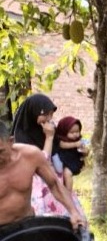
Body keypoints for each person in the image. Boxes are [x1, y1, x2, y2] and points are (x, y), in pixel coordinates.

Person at [0, 120, 85, 241]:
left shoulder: (31, 156)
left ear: (11, 141)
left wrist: (73, 212)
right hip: (1, 236)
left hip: (28, 228)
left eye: (0, 152)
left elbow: (55, 185)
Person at [10, 93, 89, 223]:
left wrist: (81, 153)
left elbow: (61, 149)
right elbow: (42, 161)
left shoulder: (48, 129)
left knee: (70, 219)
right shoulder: (22, 137)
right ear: (33, 112)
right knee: (46, 222)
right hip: (40, 188)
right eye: (45, 114)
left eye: (51, 114)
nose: (49, 119)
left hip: (56, 183)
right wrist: (49, 137)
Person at [52, 116, 89, 192]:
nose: (75, 134)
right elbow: (62, 145)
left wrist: (85, 152)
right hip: (63, 160)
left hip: (74, 161)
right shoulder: (60, 139)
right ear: (64, 131)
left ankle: (68, 193)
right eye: (72, 132)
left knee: (67, 173)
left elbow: (85, 151)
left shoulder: (79, 140)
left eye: (77, 132)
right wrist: (75, 144)